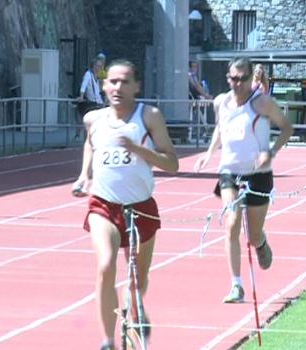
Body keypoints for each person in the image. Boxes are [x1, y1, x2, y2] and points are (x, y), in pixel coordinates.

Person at [71, 59, 179, 350]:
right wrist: (84, 176)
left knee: (137, 279)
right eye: (113, 81)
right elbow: (91, 144)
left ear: (136, 87)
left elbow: (173, 163)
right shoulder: (93, 119)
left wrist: (139, 150)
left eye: (124, 82)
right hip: (103, 206)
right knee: (106, 265)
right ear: (104, 85)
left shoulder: (150, 117)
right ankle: (108, 340)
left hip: (141, 206)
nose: (118, 87)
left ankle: (135, 306)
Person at [194, 57, 293, 303]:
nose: (237, 83)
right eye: (232, 78)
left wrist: (270, 152)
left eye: (242, 79)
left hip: (258, 174)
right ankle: (236, 285)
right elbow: (220, 127)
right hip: (229, 170)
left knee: (253, 234)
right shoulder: (221, 102)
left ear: (251, 79)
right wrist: (208, 154)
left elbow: (286, 128)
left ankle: (260, 243)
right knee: (232, 221)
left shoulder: (262, 103)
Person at [75, 56, 105, 141]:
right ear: (94, 66)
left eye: (101, 66)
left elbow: (98, 91)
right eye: (99, 66)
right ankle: (86, 139)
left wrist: (103, 101)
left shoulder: (97, 77)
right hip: (91, 104)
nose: (100, 68)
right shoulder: (88, 74)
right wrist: (81, 96)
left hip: (97, 103)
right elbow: (83, 86)